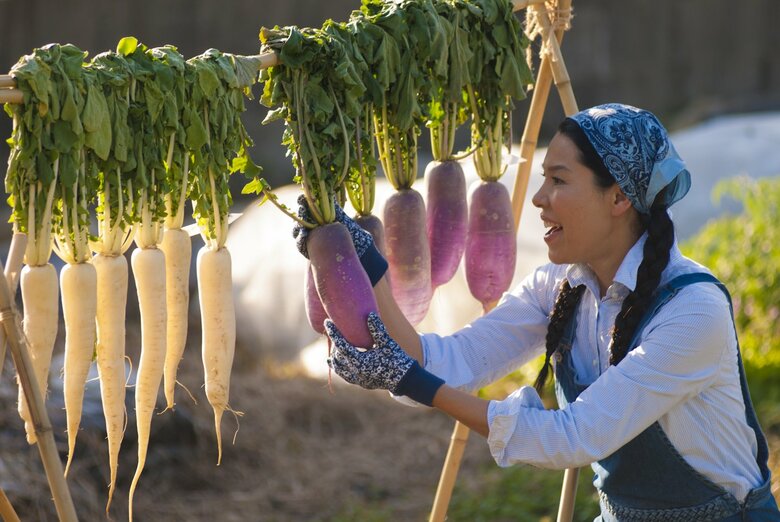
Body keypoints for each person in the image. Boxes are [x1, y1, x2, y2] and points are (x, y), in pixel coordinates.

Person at [293, 103, 780, 520]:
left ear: (618, 197)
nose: (538, 199)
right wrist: (364, 262)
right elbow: (446, 361)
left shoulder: (693, 312)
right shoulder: (560, 285)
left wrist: (410, 381)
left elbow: (571, 437)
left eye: (558, 180)